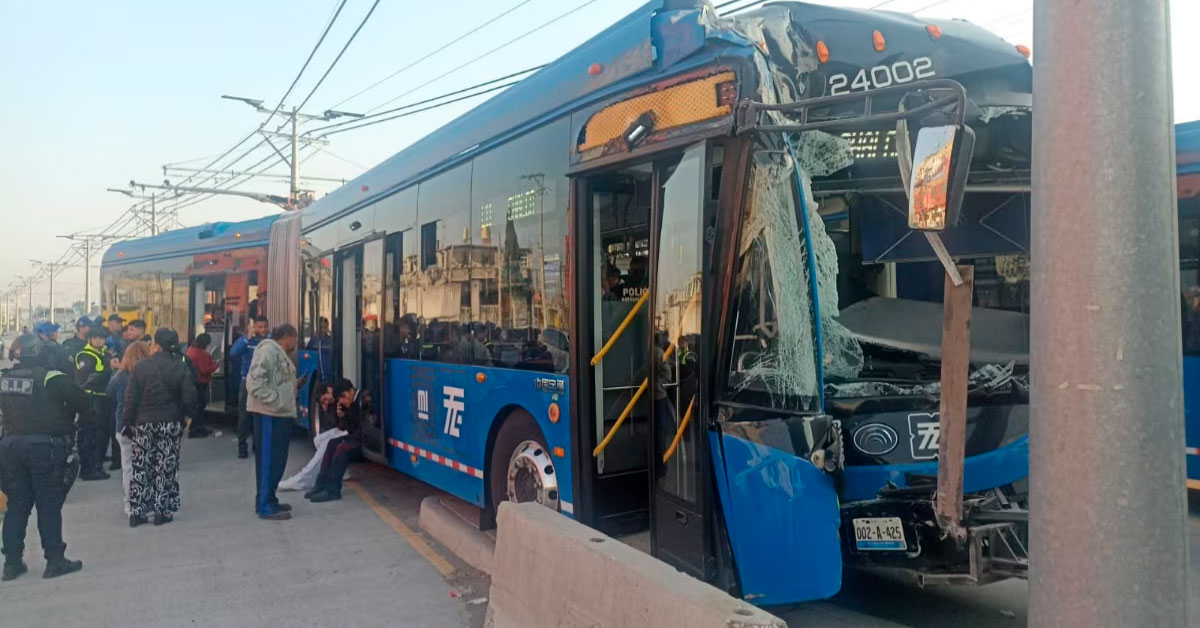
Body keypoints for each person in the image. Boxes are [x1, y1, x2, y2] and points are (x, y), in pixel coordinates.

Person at [0, 339, 88, 581]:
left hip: (10, 447)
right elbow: (82, 401)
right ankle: (55, 560)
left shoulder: (5, 377)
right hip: (42, 447)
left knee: (17, 505)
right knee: (48, 505)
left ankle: (12, 562)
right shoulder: (50, 377)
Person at [122, 328, 195, 527]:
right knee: (165, 466)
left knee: (141, 467)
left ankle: (137, 513)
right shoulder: (180, 367)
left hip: (143, 423)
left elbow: (131, 399)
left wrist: (126, 423)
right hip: (170, 422)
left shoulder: (141, 367)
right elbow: (189, 396)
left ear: (157, 345)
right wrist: (188, 417)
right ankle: (161, 512)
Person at [246, 323, 299, 521]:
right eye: (295, 337)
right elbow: (255, 383)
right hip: (270, 415)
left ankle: (269, 497)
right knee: (268, 462)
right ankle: (265, 506)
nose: (296, 342)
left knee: (277, 460)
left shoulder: (278, 352)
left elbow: (277, 379)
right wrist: (276, 400)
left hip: (280, 414)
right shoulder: (267, 351)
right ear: (286, 336)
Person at [104, 341, 150, 516]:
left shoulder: (119, 376)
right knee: (146, 464)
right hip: (145, 424)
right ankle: (146, 500)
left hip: (123, 426)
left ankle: (131, 503)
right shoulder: (150, 374)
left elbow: (109, 394)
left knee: (129, 466)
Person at [278, 382, 346, 493]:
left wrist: (339, 413)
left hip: (352, 431)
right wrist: (328, 410)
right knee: (318, 440)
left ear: (329, 390)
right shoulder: (333, 401)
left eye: (325, 399)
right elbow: (338, 424)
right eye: (323, 402)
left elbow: (346, 423)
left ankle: (302, 480)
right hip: (346, 429)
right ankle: (328, 470)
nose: (326, 402)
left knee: (327, 444)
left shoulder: (342, 395)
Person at [308, 379, 363, 503]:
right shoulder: (349, 404)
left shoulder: (363, 400)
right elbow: (349, 429)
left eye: (344, 396)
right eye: (340, 399)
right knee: (331, 443)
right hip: (357, 437)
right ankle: (321, 482)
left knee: (342, 448)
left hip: (365, 440)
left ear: (351, 391)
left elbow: (363, 428)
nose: (342, 401)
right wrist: (342, 417)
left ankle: (333, 489)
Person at [74, 327, 114, 481]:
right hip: (90, 399)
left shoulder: (103, 353)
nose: (99, 340)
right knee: (90, 435)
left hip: (102, 399)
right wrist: (109, 368)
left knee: (100, 435)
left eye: (102, 338)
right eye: (96, 337)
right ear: (89, 339)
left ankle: (96, 464)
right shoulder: (84, 355)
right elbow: (87, 379)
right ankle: (89, 469)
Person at [230, 315, 268, 459]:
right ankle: (242, 446)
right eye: (259, 327)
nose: (263, 329)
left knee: (260, 416)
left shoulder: (269, 340)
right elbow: (233, 353)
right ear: (253, 328)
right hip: (247, 383)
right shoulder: (246, 341)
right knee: (244, 417)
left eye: (265, 326)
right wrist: (248, 337)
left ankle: (257, 446)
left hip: (263, 383)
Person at [185, 334, 220, 439]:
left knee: (196, 406)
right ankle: (196, 429)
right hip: (200, 382)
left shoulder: (190, 350)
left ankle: (196, 427)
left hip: (192, 381)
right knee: (200, 406)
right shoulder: (201, 353)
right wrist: (216, 365)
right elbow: (205, 369)